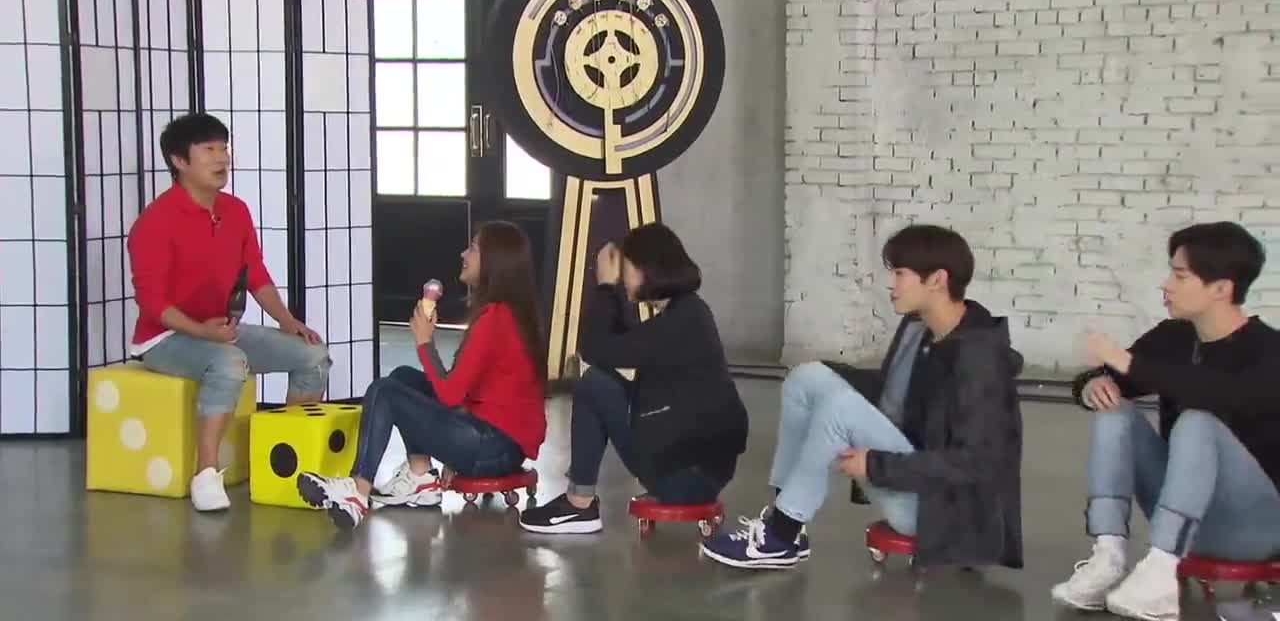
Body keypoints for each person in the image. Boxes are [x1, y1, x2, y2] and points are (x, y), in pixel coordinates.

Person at [701, 224, 1024, 571]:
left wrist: (874, 465)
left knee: (840, 408)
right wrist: (829, 373)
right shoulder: (921, 328)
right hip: (913, 477)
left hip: (946, 515)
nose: (890, 284)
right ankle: (786, 522)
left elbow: (975, 463)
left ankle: (780, 536)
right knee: (805, 378)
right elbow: (892, 396)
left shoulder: (979, 361)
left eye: (900, 274)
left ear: (937, 280)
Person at [1052, 222, 1280, 621]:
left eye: (1180, 275)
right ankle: (1108, 555)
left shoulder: (1269, 350)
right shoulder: (1172, 338)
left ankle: (1162, 573)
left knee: (1197, 422)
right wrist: (1094, 384)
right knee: (1115, 411)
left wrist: (1127, 363)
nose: (1166, 285)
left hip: (1255, 528)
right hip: (1183, 519)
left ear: (1221, 288)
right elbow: (1112, 376)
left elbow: (1222, 393)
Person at [127, 113, 330, 512]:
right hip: (164, 338)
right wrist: (203, 332)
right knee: (229, 362)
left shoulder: (235, 210)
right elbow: (152, 303)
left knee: (312, 354)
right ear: (179, 161)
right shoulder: (155, 222)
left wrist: (287, 321)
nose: (222, 158)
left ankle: (290, 459)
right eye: (209, 150)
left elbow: (256, 274)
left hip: (218, 331)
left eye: (224, 148)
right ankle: (205, 474)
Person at [297, 221, 548, 530]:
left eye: (473, 248)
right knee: (403, 377)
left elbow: (450, 395)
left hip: (492, 447)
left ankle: (358, 491)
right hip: (499, 444)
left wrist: (424, 342)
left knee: (385, 391)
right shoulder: (508, 313)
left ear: (494, 261)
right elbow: (461, 390)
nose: (463, 254)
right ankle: (420, 476)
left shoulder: (495, 318)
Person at [518, 222, 749, 534]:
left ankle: (579, 504)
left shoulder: (682, 322)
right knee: (599, 381)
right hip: (695, 468)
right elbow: (617, 341)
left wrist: (604, 287)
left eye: (625, 268)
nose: (621, 277)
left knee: (593, 384)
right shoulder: (688, 313)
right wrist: (612, 293)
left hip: (684, 477)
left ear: (644, 270)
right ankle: (579, 501)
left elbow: (595, 349)